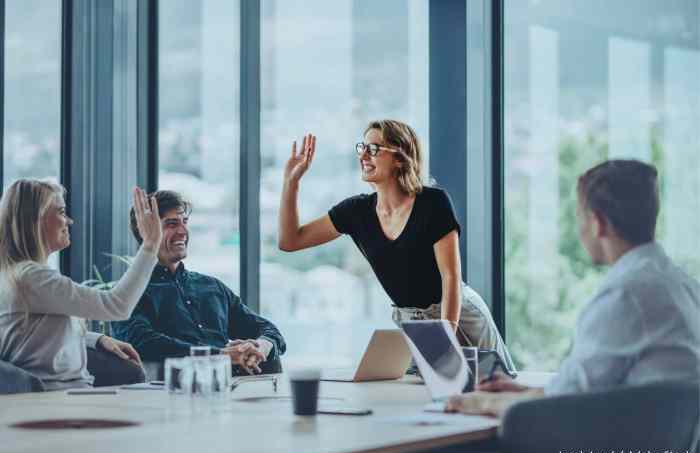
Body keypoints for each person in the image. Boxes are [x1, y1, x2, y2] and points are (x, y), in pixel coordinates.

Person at [446, 159, 700, 418]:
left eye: (580, 216)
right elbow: (588, 387)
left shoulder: (626, 294)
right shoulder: (682, 284)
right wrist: (521, 392)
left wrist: (481, 403)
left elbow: (566, 403)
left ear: (598, 222)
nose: (579, 230)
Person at [278, 119, 514, 371]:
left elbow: (451, 277)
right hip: (414, 325)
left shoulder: (433, 203)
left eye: (375, 149)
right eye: (363, 147)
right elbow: (290, 241)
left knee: (497, 387)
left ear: (400, 158)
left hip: (459, 316)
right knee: (426, 400)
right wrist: (291, 182)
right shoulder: (355, 212)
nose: (364, 156)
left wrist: (446, 339)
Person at [0, 179, 162, 390]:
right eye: (61, 212)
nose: (69, 221)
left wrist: (95, 339)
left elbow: (34, 336)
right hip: (56, 398)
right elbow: (117, 305)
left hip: (65, 394)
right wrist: (150, 245)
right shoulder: (32, 278)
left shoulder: (16, 274)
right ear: (35, 220)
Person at [112, 190, 286, 375]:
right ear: (146, 231)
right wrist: (220, 355)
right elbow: (144, 342)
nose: (183, 231)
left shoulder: (212, 287)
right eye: (171, 224)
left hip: (232, 390)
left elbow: (268, 329)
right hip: (170, 394)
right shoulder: (128, 294)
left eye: (184, 222)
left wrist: (261, 347)